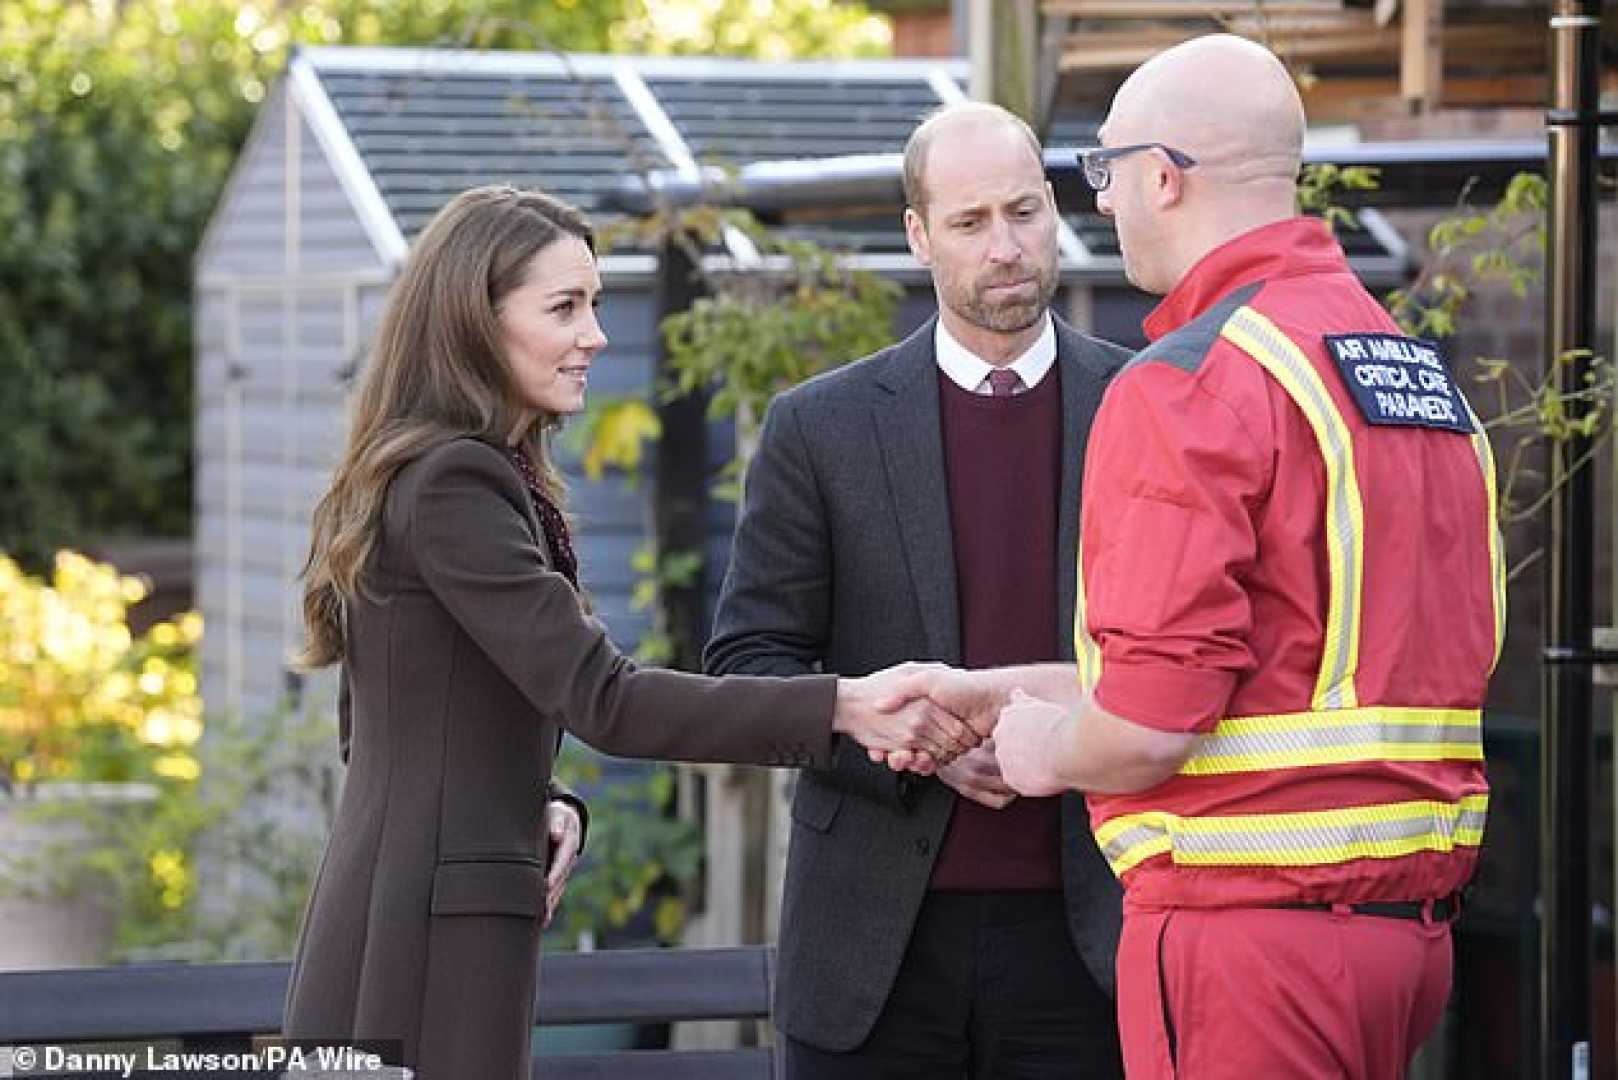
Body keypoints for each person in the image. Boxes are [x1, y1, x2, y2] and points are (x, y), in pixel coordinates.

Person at [884, 34, 1503, 1080]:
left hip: (1247, 940)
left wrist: (1040, 750)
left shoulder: (1188, 381)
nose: (1103, 205)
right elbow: (1285, 670)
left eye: (1104, 173)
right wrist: (998, 693)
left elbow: (1148, 727)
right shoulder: (1403, 372)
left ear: (1162, 176)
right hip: (1406, 935)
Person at [282, 185, 979, 1080]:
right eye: (564, 307)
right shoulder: (457, 481)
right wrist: (842, 705)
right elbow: (604, 697)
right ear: (473, 323)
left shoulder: (440, 472)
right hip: (426, 934)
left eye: (597, 304)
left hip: (402, 912)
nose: (596, 336)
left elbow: (399, 720)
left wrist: (537, 798)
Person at [706, 102, 1129, 1078]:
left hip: (1093, 936)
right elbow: (750, 663)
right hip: (872, 947)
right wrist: (906, 746)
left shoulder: (1145, 407)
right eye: (970, 222)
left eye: (1025, 212)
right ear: (916, 234)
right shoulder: (822, 428)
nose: (1006, 246)